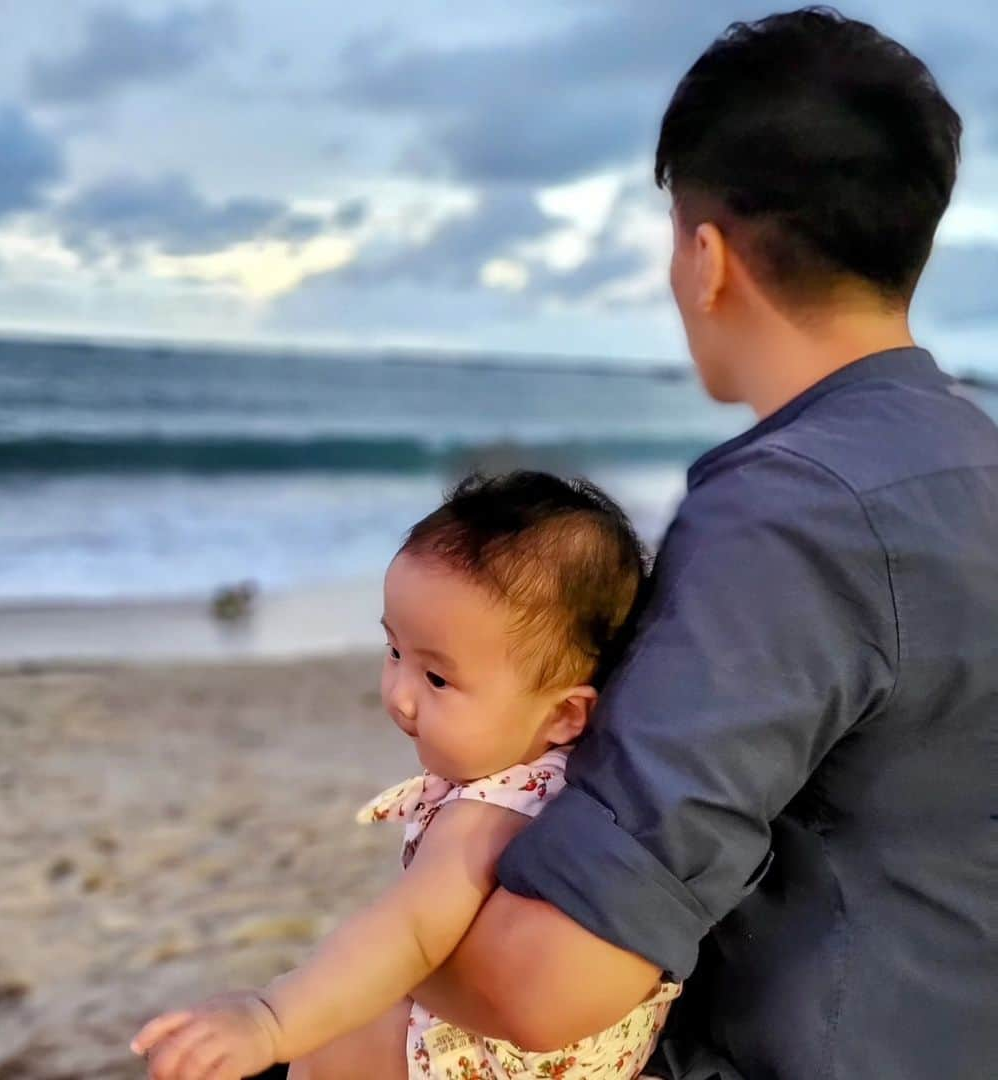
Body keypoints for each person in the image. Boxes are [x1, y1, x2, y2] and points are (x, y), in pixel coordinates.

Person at [388, 9, 997, 1079]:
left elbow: (552, 982)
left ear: (708, 257)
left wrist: (377, 946)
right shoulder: (973, 462)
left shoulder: (788, 512)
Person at [130, 472, 684, 1080]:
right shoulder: (580, 777)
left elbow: (410, 936)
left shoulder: (490, 814)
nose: (401, 697)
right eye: (395, 651)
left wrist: (268, 1018)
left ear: (563, 713)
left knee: (329, 1047)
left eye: (438, 679)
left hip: (489, 1062)